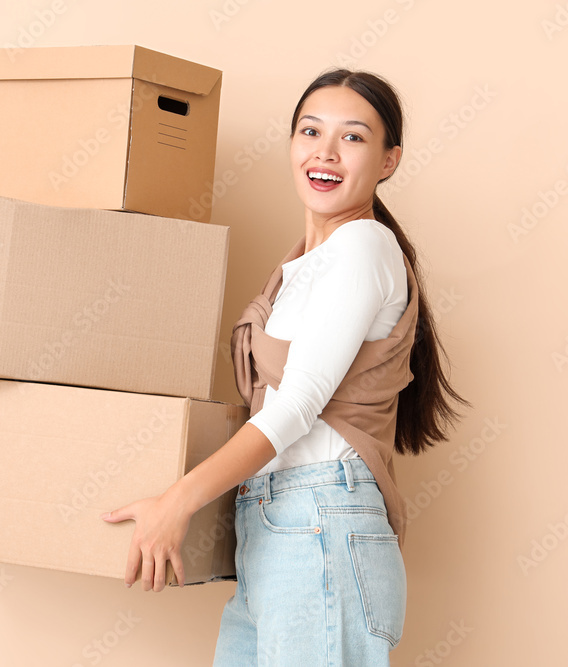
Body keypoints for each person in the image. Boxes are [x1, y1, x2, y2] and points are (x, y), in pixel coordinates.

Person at [100, 68, 470, 665]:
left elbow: (296, 406)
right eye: (310, 131)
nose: (325, 152)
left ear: (388, 160)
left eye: (352, 138)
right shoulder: (301, 267)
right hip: (277, 524)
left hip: (319, 518)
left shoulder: (365, 246)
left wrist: (178, 501)